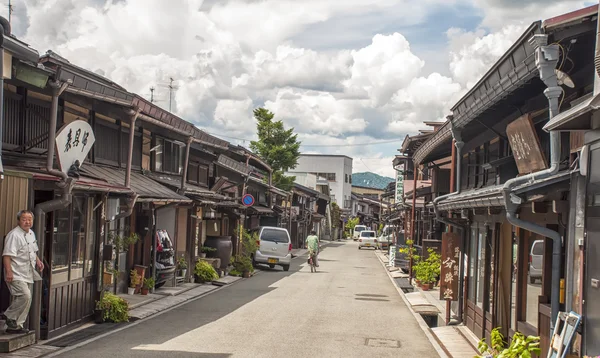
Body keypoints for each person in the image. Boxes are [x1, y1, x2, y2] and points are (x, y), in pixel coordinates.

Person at [3, 210, 44, 334]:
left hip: (28, 271)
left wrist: (38, 261)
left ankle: (16, 326)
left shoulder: (31, 233)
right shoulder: (14, 235)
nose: (27, 222)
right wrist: (8, 272)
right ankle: (9, 315)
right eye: (24, 219)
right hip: (15, 272)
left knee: (28, 299)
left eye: (29, 219)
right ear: (19, 221)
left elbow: (32, 251)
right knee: (25, 295)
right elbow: (6, 255)